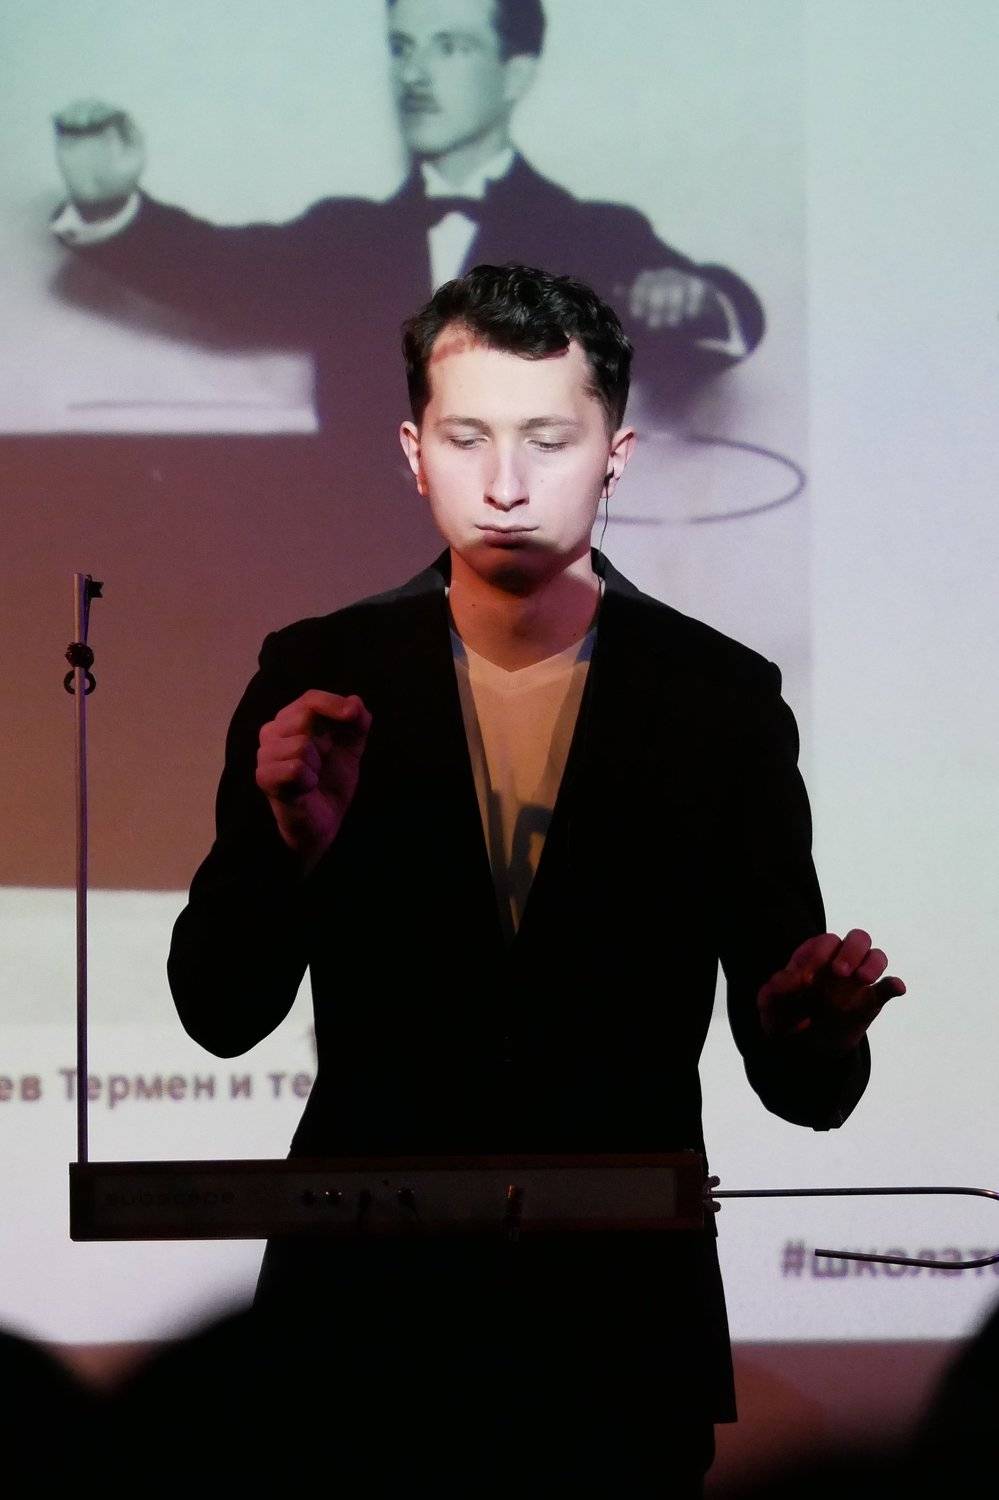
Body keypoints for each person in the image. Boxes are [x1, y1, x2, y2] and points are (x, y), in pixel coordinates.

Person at [166, 263, 903, 1494]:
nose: (505, 482)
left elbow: (801, 1078)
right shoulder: (318, 671)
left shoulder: (719, 699)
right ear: (415, 454)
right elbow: (218, 1010)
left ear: (616, 454)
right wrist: (289, 849)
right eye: (468, 438)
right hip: (363, 1334)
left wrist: (811, 1029)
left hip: (619, 1335)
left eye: (547, 440)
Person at [50, 0, 764, 444]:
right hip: (361, 596)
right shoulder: (343, 239)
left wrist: (696, 301)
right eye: (402, 47)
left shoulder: (588, 235)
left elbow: (726, 311)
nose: (414, 75)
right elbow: (218, 271)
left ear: (515, 73)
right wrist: (111, 205)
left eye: (449, 46)